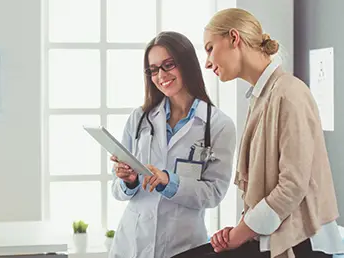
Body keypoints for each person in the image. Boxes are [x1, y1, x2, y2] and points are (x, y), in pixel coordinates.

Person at [172, 8, 344, 258]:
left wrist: (238, 235)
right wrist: (242, 229)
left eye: (210, 48)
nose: (207, 63)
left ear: (234, 38)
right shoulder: (261, 97)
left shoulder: (290, 93)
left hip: (300, 242)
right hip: (266, 236)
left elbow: (292, 187)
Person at [108, 31, 236, 258]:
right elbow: (117, 191)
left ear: (187, 64)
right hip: (132, 244)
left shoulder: (218, 125)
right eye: (154, 69)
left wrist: (170, 182)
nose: (161, 75)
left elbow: (214, 193)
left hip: (184, 245)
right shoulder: (139, 119)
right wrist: (128, 181)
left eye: (169, 65)